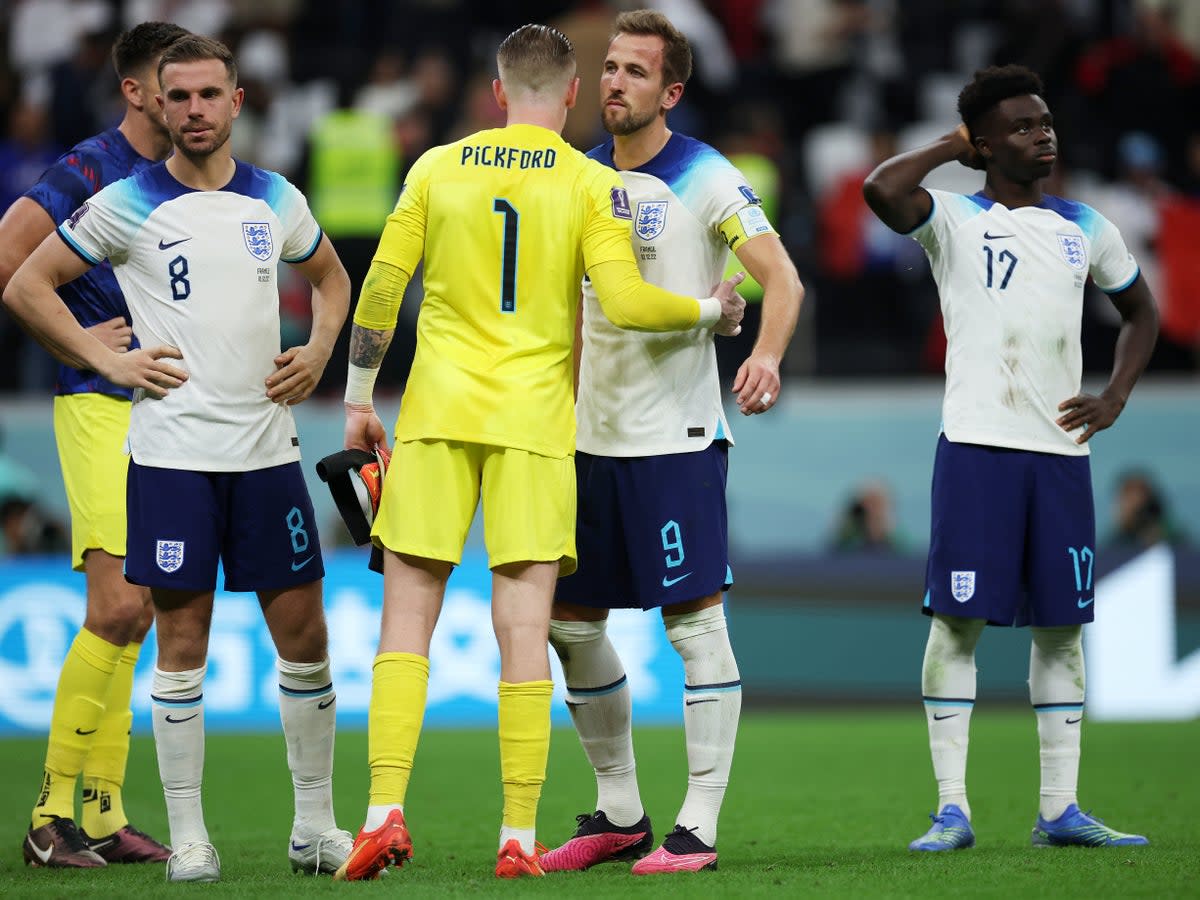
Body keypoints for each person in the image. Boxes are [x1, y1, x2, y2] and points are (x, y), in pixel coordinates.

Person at [332, 23, 746, 882]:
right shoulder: (590, 180)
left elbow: (380, 289)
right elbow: (627, 303)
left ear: (494, 93)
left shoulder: (436, 168)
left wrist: (358, 401)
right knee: (526, 629)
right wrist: (710, 312)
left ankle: (381, 813)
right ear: (567, 96)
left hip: (439, 417)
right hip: (535, 428)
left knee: (406, 621)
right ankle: (517, 835)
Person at [3, 35, 355, 883]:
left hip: (267, 453)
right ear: (155, 101)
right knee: (161, 629)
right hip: (156, 446)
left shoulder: (275, 197)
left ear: (237, 102)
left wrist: (317, 353)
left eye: (210, 95)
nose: (194, 109)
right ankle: (136, 827)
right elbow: (22, 274)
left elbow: (336, 279)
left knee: (299, 637)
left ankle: (304, 827)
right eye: (180, 95)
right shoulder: (117, 194)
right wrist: (102, 357)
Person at [862, 64, 1159, 851]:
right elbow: (881, 191)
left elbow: (1141, 311)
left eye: (1047, 121)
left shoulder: (1085, 226)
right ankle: (951, 809)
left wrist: (1116, 396)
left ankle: (1060, 810)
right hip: (976, 452)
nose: (1044, 133)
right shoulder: (953, 219)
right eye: (1024, 125)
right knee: (957, 627)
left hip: (1060, 459)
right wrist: (947, 146)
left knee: (1061, 630)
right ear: (985, 143)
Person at [538, 10, 802, 876]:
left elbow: (781, 279)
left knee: (694, 628)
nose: (614, 82)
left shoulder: (706, 176)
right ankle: (619, 812)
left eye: (635, 72)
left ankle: (699, 825)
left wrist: (762, 353)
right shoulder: (574, 179)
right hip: (584, 442)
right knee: (571, 625)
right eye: (607, 68)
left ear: (671, 91)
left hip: (677, 440)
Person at [0, 21, 188, 869]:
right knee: (118, 606)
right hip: (101, 405)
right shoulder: (91, 167)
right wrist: (87, 349)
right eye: (171, 86)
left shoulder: (187, 181)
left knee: (136, 611)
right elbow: (10, 258)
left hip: (170, 414)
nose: (187, 102)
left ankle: (104, 818)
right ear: (136, 91)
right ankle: (47, 818)